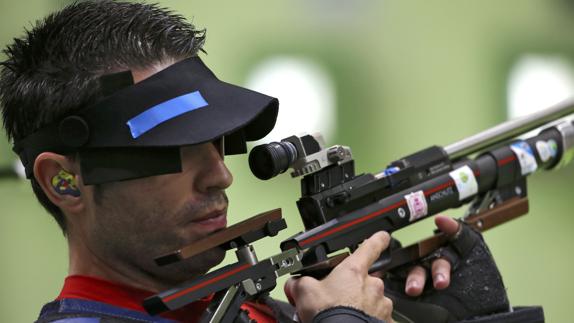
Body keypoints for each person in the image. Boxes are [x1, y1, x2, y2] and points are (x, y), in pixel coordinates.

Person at [0, 1, 542, 322]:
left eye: (218, 142)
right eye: (173, 151)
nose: (221, 174)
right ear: (65, 181)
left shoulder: (261, 309)